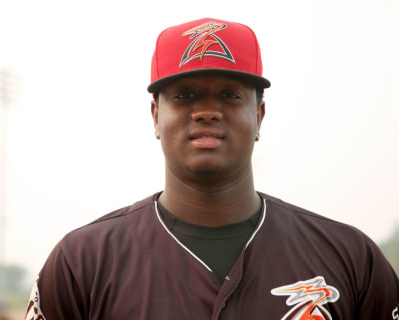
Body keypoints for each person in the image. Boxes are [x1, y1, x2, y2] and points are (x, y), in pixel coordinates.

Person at [24, 18, 399, 320]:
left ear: (259, 115)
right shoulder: (82, 261)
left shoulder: (350, 257)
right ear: (156, 116)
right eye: (184, 95)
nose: (207, 111)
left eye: (229, 95)